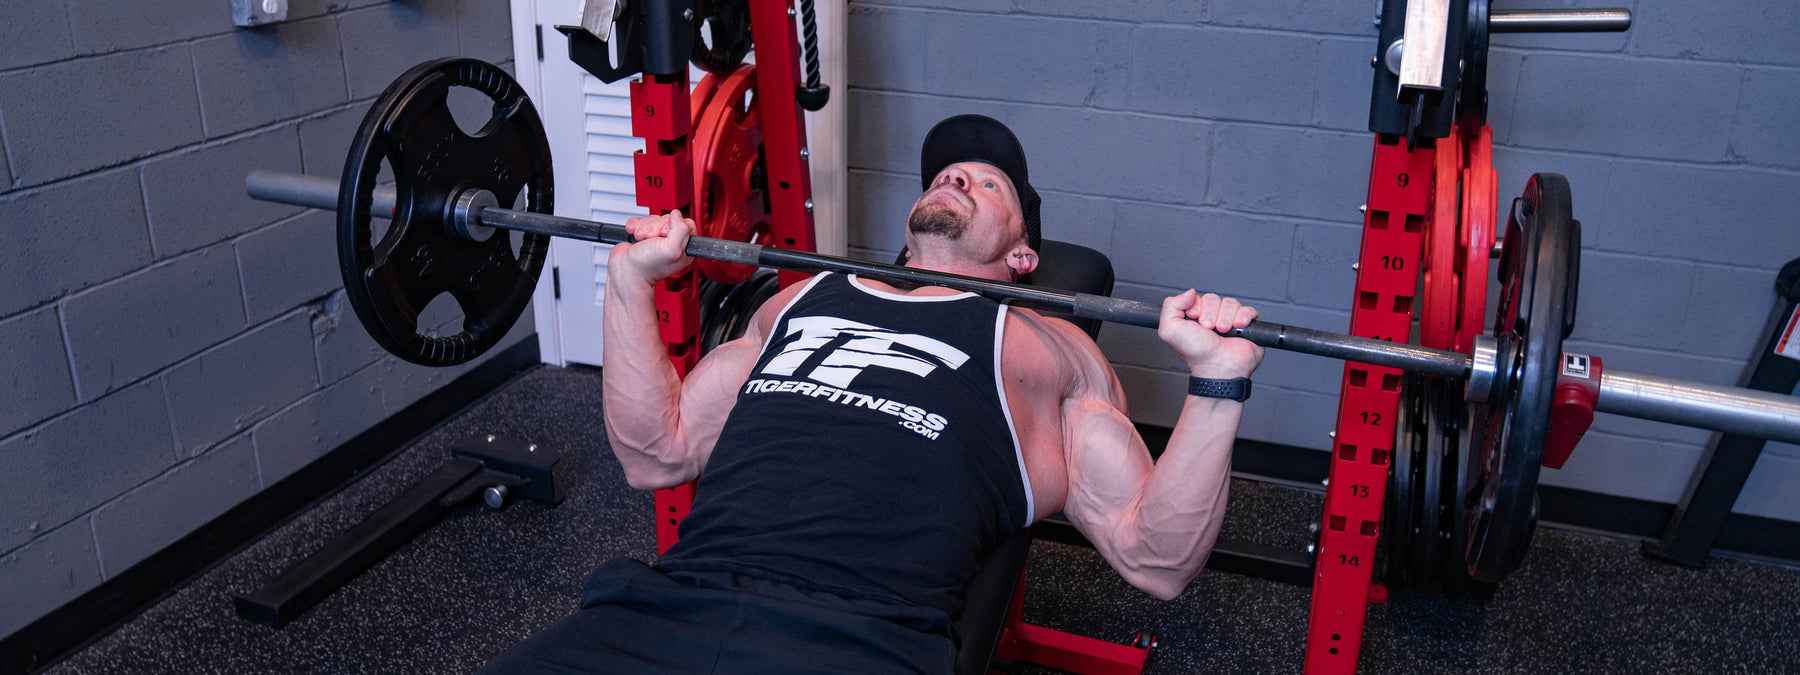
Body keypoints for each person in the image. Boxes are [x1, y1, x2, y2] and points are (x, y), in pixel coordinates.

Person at [480, 115, 1263, 673]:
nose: (957, 175)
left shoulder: (1046, 348)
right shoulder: (800, 300)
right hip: (665, 604)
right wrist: (628, 283)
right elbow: (657, 451)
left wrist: (1217, 382)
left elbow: (1155, 558)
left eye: (988, 183)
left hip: (855, 640)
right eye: (947, 173)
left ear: (1024, 255)